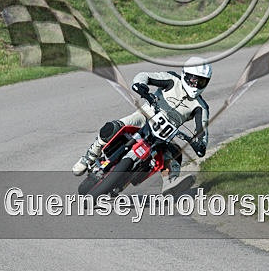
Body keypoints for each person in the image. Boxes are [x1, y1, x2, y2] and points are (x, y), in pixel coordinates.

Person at [72, 57, 212, 193]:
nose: (196, 85)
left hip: (165, 135)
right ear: (185, 75)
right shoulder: (172, 79)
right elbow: (144, 76)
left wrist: (201, 144)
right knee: (112, 127)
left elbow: (203, 130)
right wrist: (141, 85)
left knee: (175, 154)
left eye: (201, 81)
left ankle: (170, 182)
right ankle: (89, 157)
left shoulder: (201, 107)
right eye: (194, 79)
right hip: (144, 117)